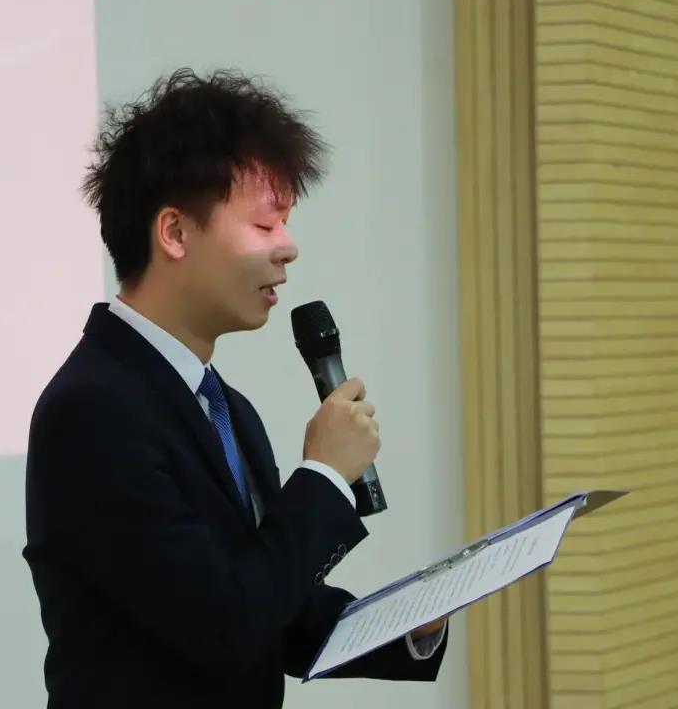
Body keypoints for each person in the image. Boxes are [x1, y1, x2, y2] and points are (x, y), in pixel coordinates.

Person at [22, 68, 446, 708]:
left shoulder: (226, 408)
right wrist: (325, 476)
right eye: (265, 225)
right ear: (174, 233)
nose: (289, 248)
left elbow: (270, 601)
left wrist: (411, 625)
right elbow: (223, 624)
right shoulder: (93, 410)